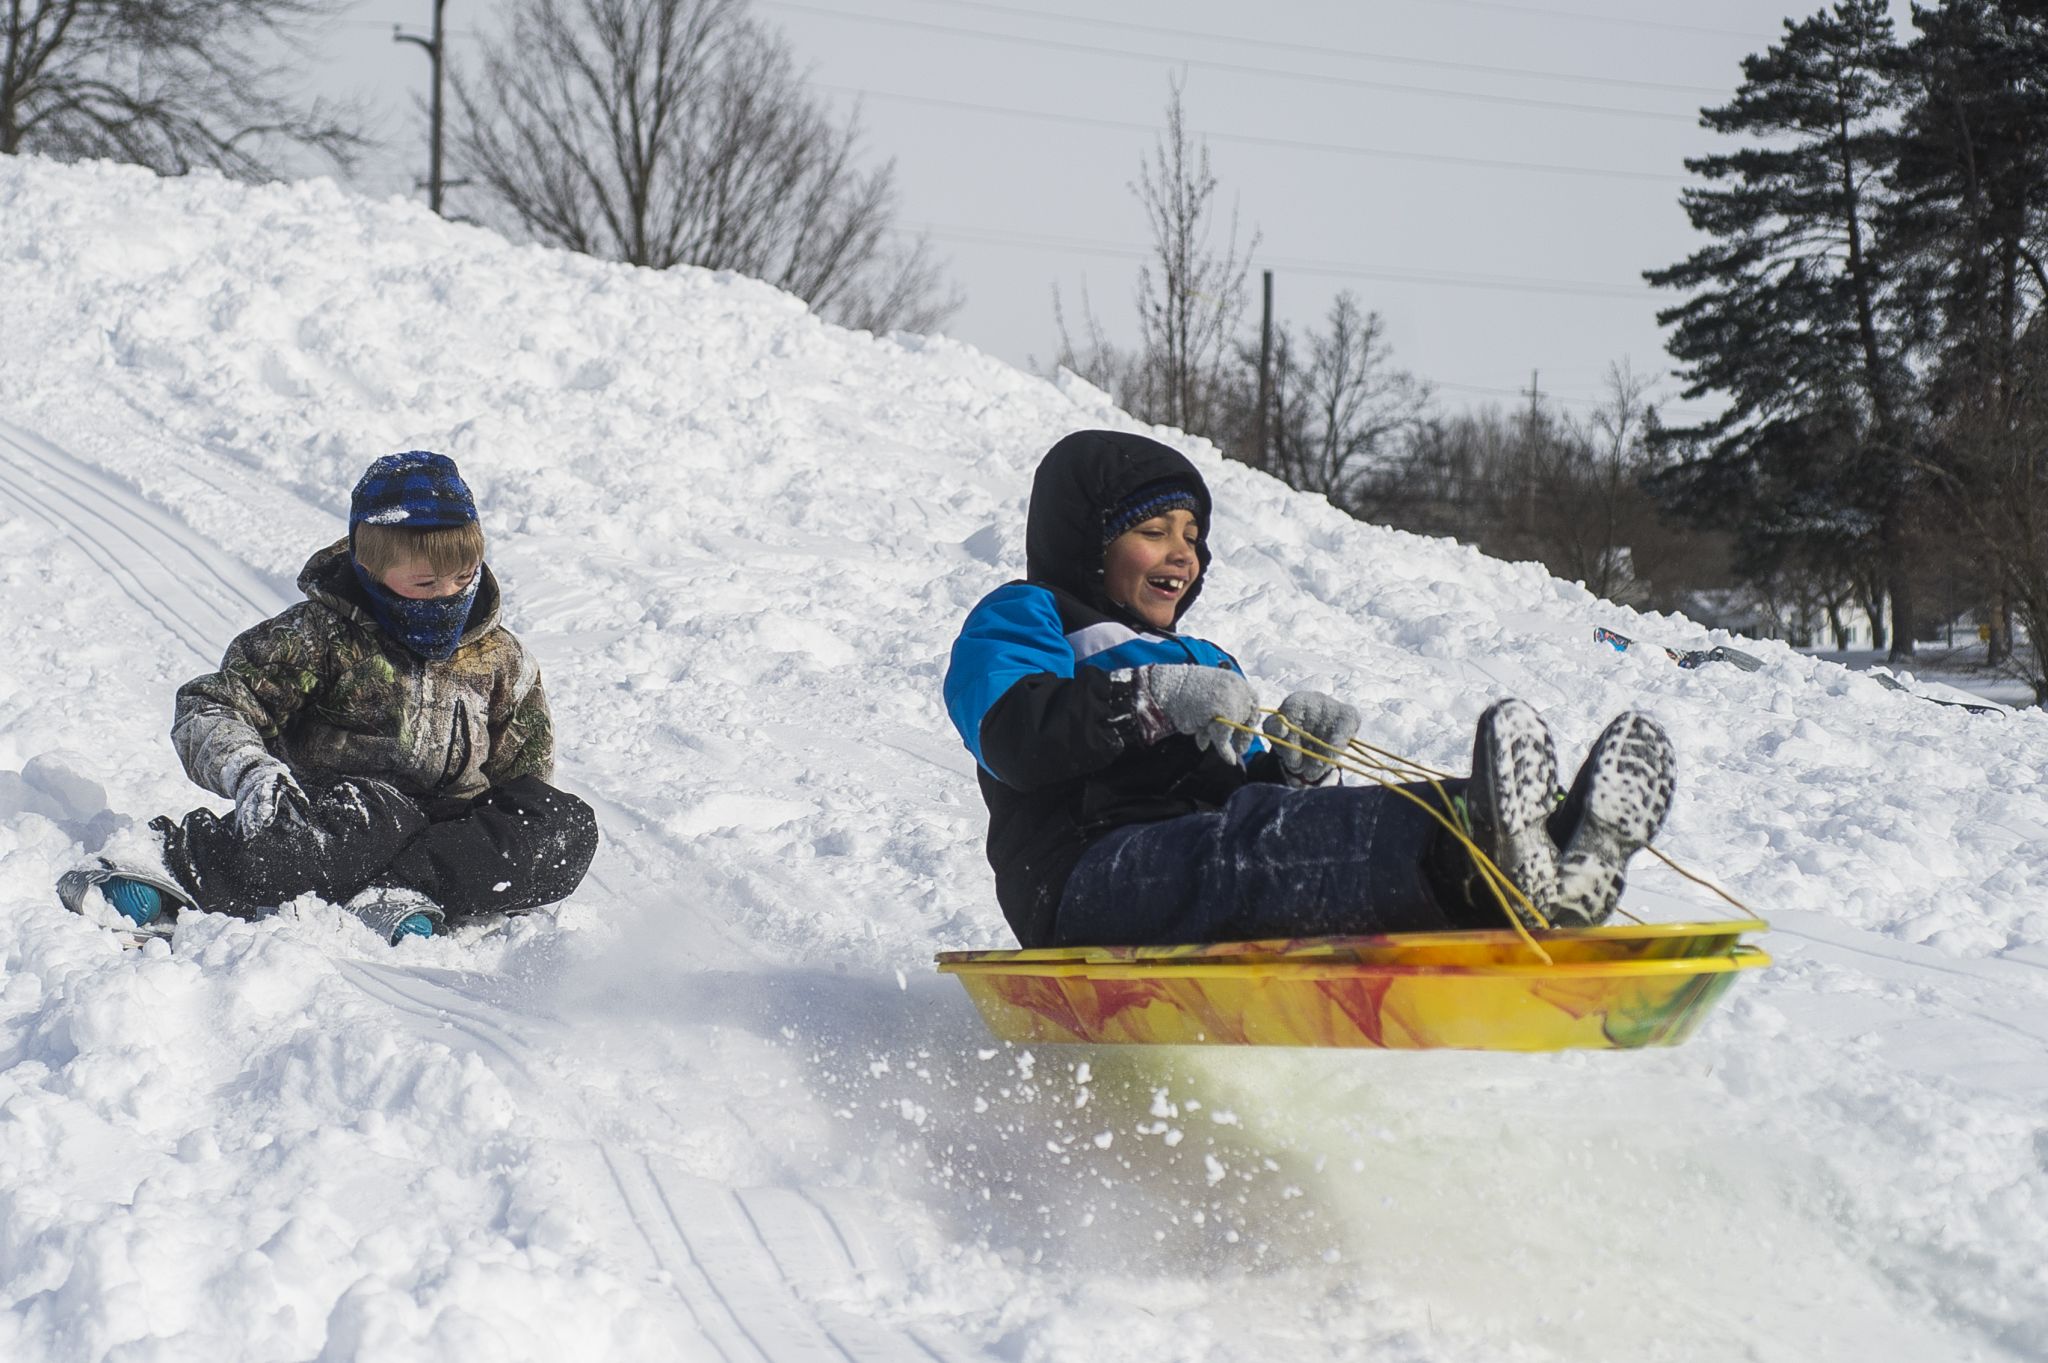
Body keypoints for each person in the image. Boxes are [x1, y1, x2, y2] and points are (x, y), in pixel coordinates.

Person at [941, 429, 1676, 950]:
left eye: (1192, 535)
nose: (1183, 554)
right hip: (1083, 876)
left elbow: (1234, 796)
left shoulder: (1205, 658)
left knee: (1271, 830)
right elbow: (1013, 737)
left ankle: (1554, 844)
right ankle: (1489, 869)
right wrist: (1150, 698)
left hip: (1192, 866)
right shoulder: (1028, 613)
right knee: (1250, 846)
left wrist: (1295, 771)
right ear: (1087, 541)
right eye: (1155, 531)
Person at [69, 451, 597, 943]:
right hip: (343, 819)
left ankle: (400, 893)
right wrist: (252, 772)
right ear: (371, 573)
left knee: (565, 828)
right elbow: (211, 706)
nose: (447, 597)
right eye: (424, 584)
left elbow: (525, 779)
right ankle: (173, 866)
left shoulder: (501, 658)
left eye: (463, 579)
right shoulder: (318, 637)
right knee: (363, 822)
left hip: (448, 839)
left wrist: (511, 836)